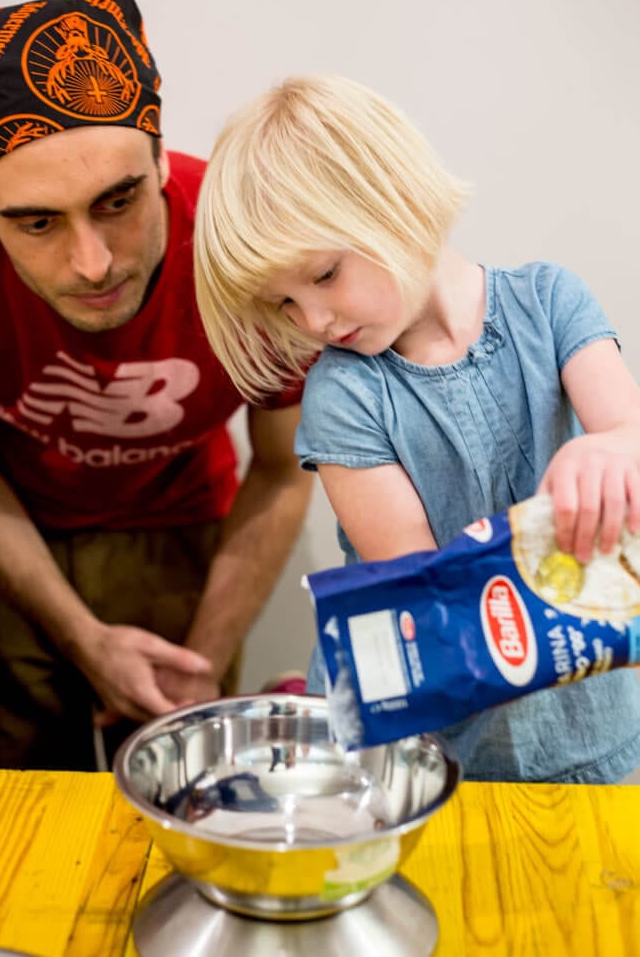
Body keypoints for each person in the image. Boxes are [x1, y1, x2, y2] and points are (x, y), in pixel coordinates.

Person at [193, 74, 640, 783]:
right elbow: (432, 595)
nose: (313, 322)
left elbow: (627, 432)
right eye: (281, 303)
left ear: (392, 200)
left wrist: (610, 450)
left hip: (594, 724)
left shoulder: (551, 302)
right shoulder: (342, 389)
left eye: (325, 274)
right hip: (433, 750)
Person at [0, 0, 313, 771]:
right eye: (36, 222)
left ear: (159, 158)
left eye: (117, 201)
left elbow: (285, 471)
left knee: (184, 793)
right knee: (18, 816)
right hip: (4, 532)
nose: (92, 264)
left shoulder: (249, 246)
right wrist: (83, 640)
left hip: (185, 533)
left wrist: (202, 665)